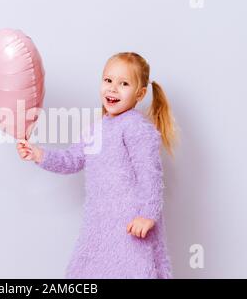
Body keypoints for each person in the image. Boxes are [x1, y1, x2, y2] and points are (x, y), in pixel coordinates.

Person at [16, 52, 177, 278]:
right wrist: (38, 154)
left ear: (140, 93)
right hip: (100, 224)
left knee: (133, 270)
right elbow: (72, 160)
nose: (113, 89)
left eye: (124, 84)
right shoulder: (97, 128)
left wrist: (147, 215)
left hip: (131, 224)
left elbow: (150, 174)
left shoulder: (136, 127)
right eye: (108, 80)